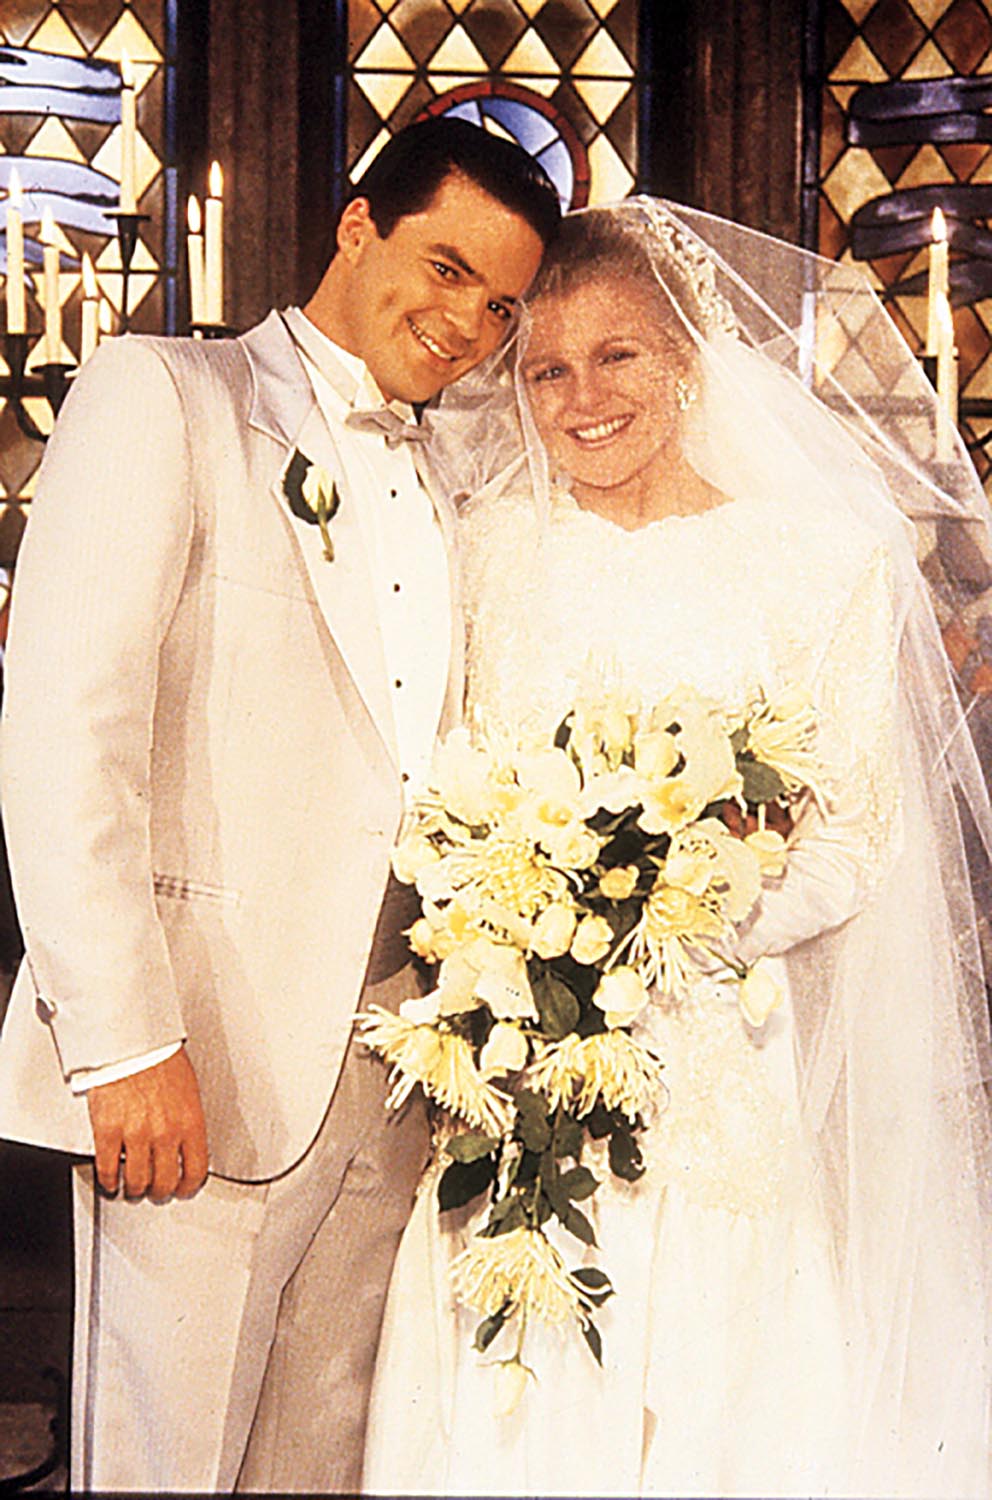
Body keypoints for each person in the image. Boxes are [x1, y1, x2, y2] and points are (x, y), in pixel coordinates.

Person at [363, 202, 992, 1497]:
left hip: (716, 1067)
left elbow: (855, 838)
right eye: (547, 369)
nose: (582, 399)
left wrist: (672, 916)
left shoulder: (821, 565)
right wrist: (507, 921)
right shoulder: (483, 550)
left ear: (693, 359)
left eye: (620, 357)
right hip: (517, 1068)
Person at [0, 117, 557, 1494]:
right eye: (446, 269)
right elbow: (67, 735)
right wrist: (123, 1042)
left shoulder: (468, 474)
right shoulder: (165, 398)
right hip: (203, 1057)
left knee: (323, 1462)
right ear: (357, 227)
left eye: (500, 306)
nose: (467, 324)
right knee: (168, 1462)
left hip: (406, 1068)